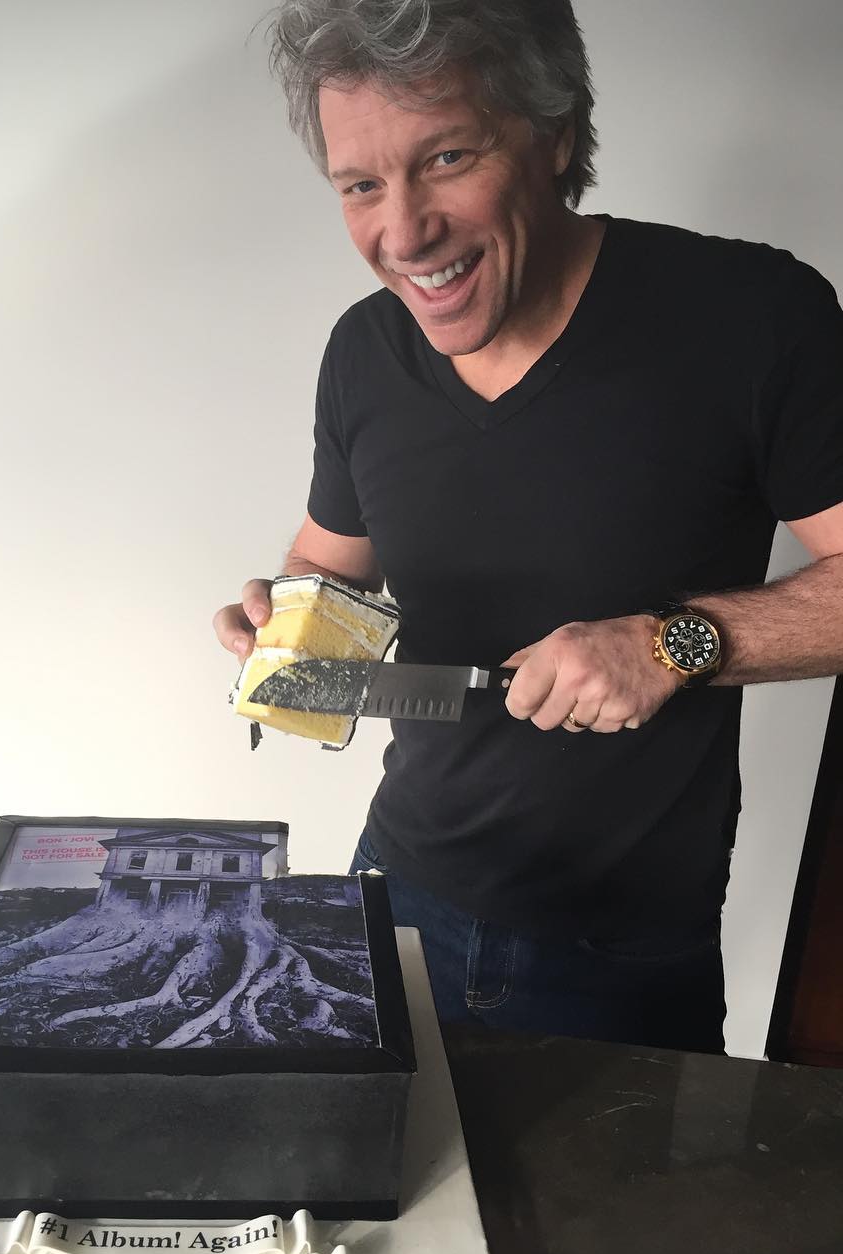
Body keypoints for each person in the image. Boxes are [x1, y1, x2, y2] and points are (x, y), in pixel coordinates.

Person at [212, 0, 843, 1053]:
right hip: (394, 886)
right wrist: (286, 622)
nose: (403, 234)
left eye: (447, 158)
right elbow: (329, 561)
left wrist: (670, 645)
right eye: (361, 185)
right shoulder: (365, 352)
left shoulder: (754, 316)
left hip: (621, 951)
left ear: (553, 133)